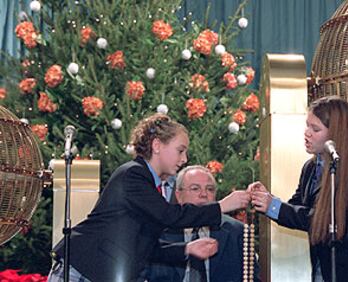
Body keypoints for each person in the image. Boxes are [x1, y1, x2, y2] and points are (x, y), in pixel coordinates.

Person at [48, 113, 251, 282]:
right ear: (157, 145)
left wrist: (187, 248)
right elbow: (170, 216)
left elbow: (146, 247)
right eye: (180, 150)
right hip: (83, 269)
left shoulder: (152, 185)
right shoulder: (133, 174)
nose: (184, 159)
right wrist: (221, 206)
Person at [249, 96, 348, 282]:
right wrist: (267, 198)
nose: (307, 133)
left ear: (336, 134)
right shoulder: (311, 168)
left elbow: (331, 222)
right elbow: (298, 208)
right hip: (331, 270)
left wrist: (275, 206)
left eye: (316, 129)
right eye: (307, 125)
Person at [144, 165, 261, 282]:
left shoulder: (237, 232)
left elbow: (252, 279)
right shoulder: (160, 232)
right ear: (178, 195)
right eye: (195, 189)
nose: (203, 194)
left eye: (210, 189)